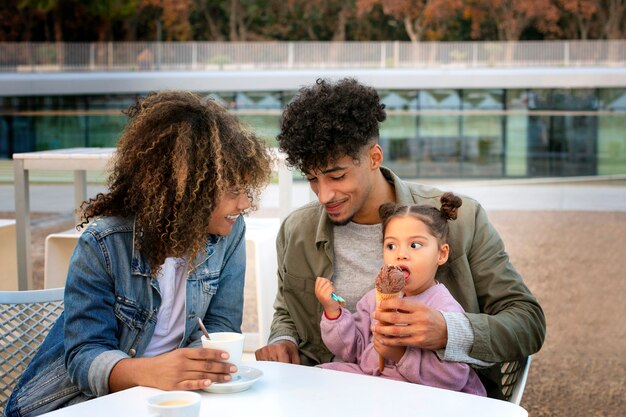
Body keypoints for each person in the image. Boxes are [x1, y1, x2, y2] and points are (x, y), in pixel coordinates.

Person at [255, 78, 546, 399]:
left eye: (337, 176)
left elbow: (527, 322)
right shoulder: (298, 230)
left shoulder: (462, 219)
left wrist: (449, 332)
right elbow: (287, 311)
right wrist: (283, 340)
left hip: (437, 398)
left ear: (374, 157)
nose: (324, 194)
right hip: (333, 394)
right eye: (312, 179)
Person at [6, 90, 272, 416]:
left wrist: (196, 372)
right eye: (233, 192)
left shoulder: (228, 234)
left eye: (246, 190)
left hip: (167, 400)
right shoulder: (104, 244)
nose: (244, 204)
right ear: (187, 191)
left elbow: (220, 327)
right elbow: (84, 356)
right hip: (77, 402)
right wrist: (153, 372)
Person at [315, 194, 486, 396]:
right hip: (376, 383)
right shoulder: (374, 298)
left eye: (414, 245)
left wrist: (401, 355)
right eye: (391, 246)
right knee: (320, 376)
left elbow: (454, 377)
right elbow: (352, 350)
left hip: (423, 394)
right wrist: (333, 313)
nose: (400, 254)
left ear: (441, 254)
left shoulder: (444, 308)